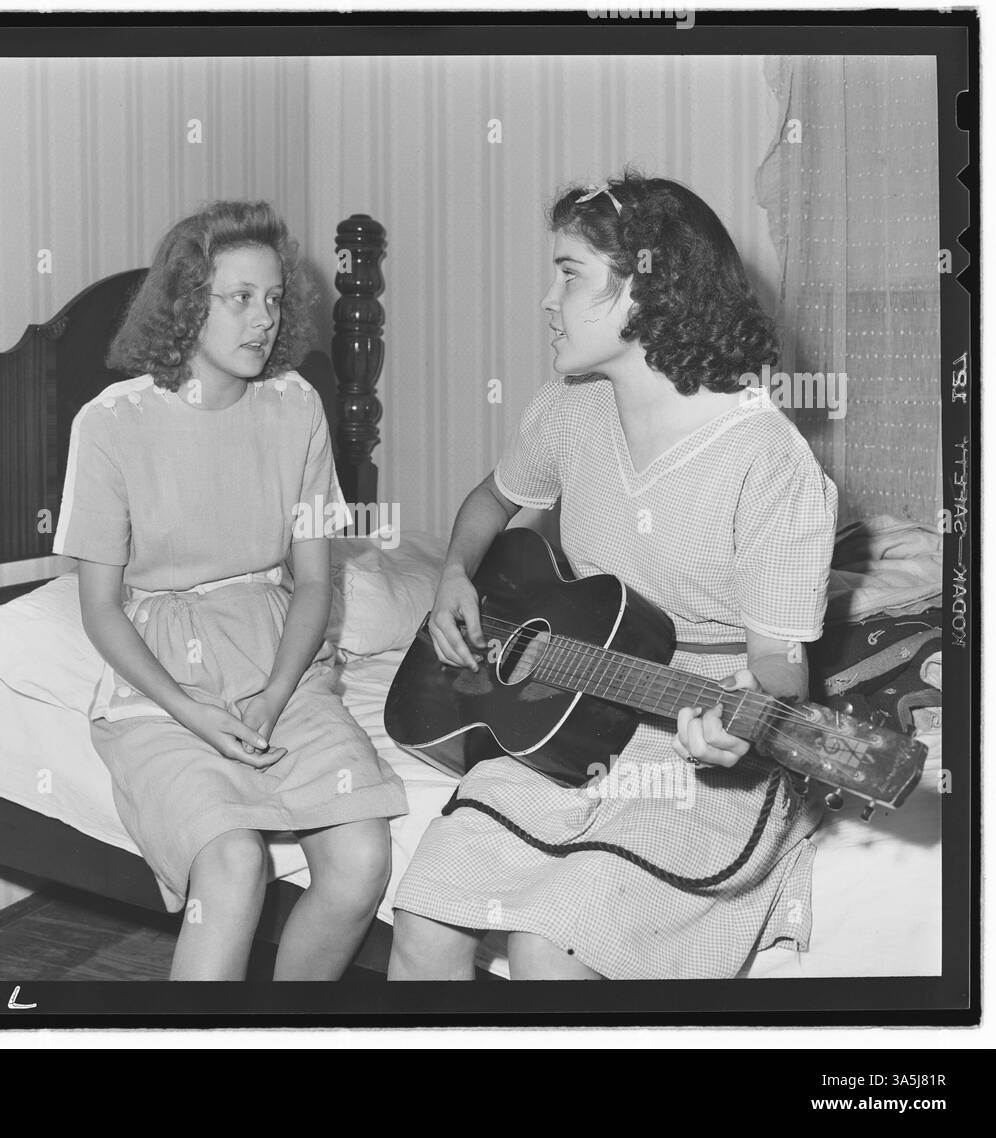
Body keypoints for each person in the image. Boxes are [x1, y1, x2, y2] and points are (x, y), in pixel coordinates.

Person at [388, 174, 838, 981]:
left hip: (695, 728)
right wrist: (453, 571)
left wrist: (739, 721)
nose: (547, 299)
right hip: (572, 708)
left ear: (648, 286)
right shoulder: (572, 406)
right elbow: (492, 499)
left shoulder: (769, 461)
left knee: (549, 951)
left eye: (569, 273)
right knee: (423, 918)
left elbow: (780, 666)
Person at [54, 201, 407, 980]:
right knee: (233, 867)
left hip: (280, 664)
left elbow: (315, 582)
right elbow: (100, 609)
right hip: (163, 686)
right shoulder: (111, 424)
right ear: (187, 303)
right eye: (239, 298)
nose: (263, 320)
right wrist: (193, 712)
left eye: (275, 298)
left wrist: (276, 694)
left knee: (361, 857)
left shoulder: (298, 407)